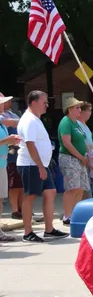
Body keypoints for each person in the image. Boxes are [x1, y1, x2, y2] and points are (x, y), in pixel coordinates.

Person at [16, 91, 68, 242]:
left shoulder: (35, 119)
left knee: (51, 192)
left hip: (40, 165)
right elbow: (30, 144)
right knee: (30, 196)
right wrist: (39, 166)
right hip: (31, 164)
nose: (47, 105)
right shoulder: (29, 120)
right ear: (33, 103)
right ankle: (27, 233)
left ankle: (49, 229)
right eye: (44, 102)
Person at [57, 97, 90, 225]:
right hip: (70, 158)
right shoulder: (66, 122)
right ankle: (67, 215)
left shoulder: (76, 122)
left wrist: (87, 155)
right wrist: (81, 157)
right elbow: (67, 142)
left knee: (80, 188)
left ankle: (75, 214)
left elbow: (83, 139)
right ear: (69, 109)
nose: (80, 109)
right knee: (72, 188)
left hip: (80, 159)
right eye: (77, 107)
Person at [0, 95, 21, 241]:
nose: (5, 104)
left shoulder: (1, 122)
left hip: (3, 163)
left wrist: (11, 143)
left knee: (0, 199)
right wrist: (7, 140)